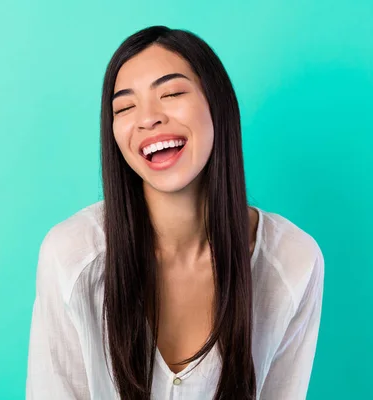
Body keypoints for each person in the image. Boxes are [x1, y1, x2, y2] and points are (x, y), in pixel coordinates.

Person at [26, 25, 324, 400]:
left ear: (218, 105)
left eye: (171, 93)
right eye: (125, 107)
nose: (148, 118)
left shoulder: (294, 260)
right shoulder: (69, 255)